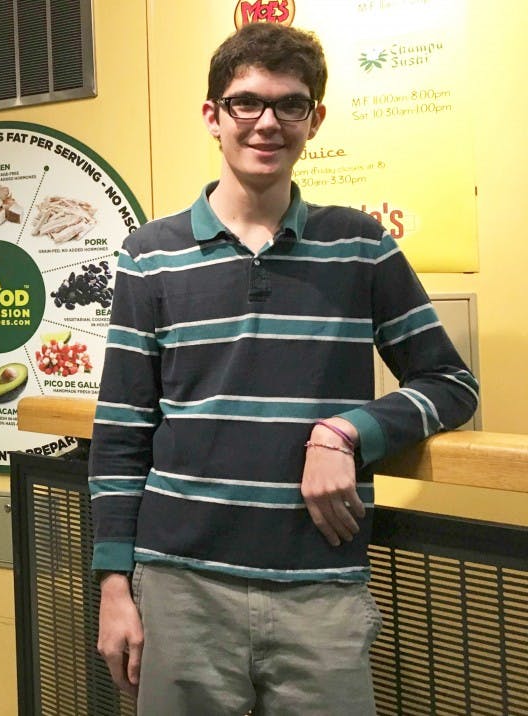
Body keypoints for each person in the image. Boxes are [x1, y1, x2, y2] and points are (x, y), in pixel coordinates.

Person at [89, 21, 479, 716]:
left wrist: (349, 431)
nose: (267, 122)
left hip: (320, 591)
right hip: (180, 589)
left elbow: (451, 383)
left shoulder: (360, 247)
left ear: (314, 120)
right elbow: (121, 434)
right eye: (246, 102)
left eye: (289, 105)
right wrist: (114, 585)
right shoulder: (150, 254)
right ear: (213, 116)